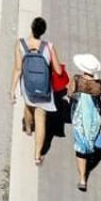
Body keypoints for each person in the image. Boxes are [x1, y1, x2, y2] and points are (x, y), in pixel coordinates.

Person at [11, 16, 63, 166]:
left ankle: (27, 128)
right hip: (44, 89)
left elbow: (18, 68)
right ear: (43, 31)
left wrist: (12, 90)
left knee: (28, 107)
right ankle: (37, 156)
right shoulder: (48, 46)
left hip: (28, 86)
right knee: (41, 120)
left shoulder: (20, 44)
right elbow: (58, 71)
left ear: (31, 28)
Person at [70, 53, 101, 191]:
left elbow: (70, 94)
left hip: (79, 120)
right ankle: (91, 155)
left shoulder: (76, 80)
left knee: (80, 148)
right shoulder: (100, 85)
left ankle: (82, 179)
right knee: (95, 142)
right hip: (95, 120)